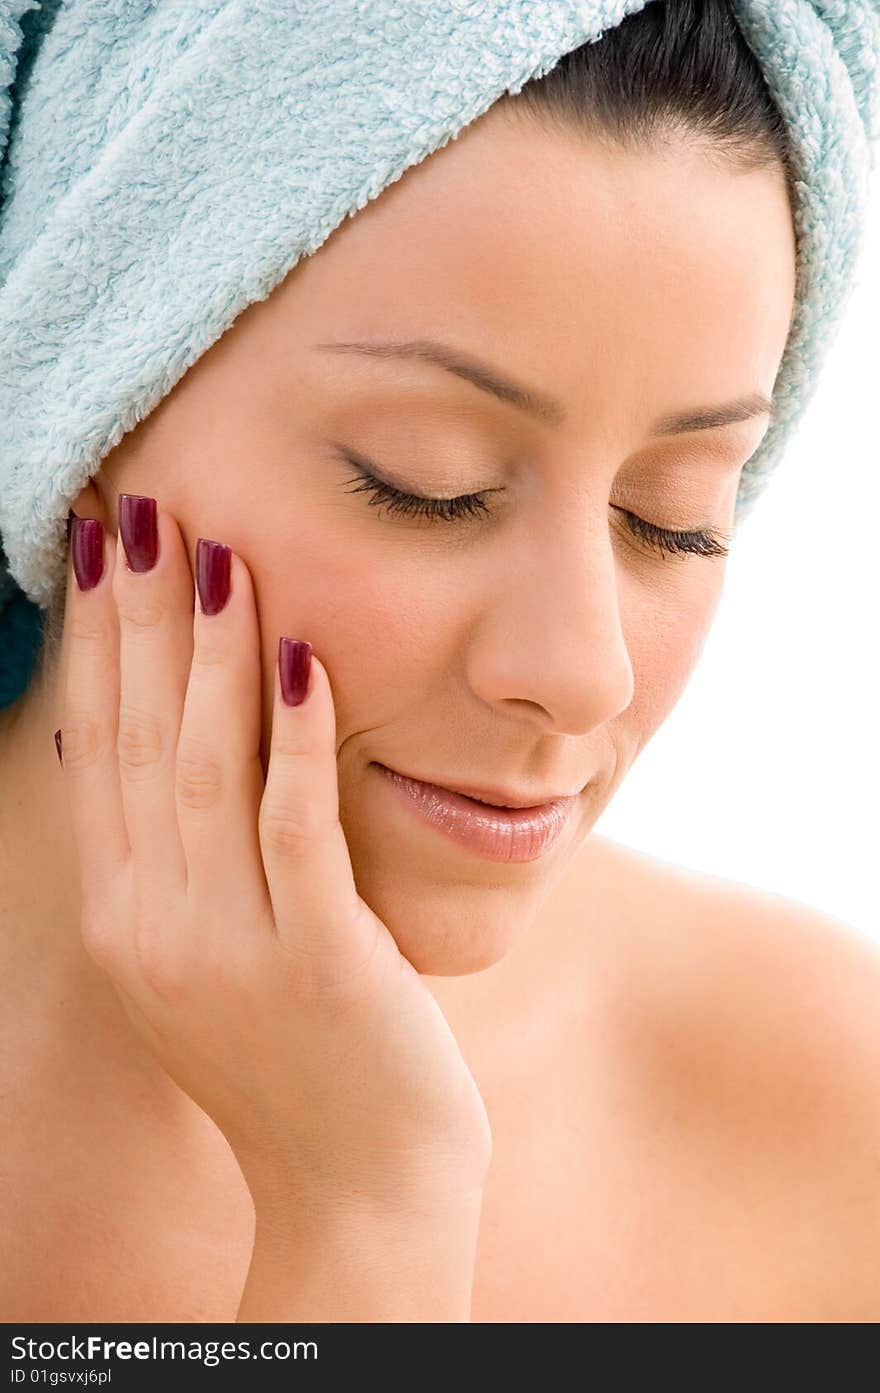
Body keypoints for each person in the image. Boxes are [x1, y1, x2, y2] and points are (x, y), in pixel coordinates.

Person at [1, 1, 879, 1322]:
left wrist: (372, 1201)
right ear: (83, 417)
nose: (584, 675)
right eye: (429, 484)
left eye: (677, 512)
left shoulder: (822, 1099)